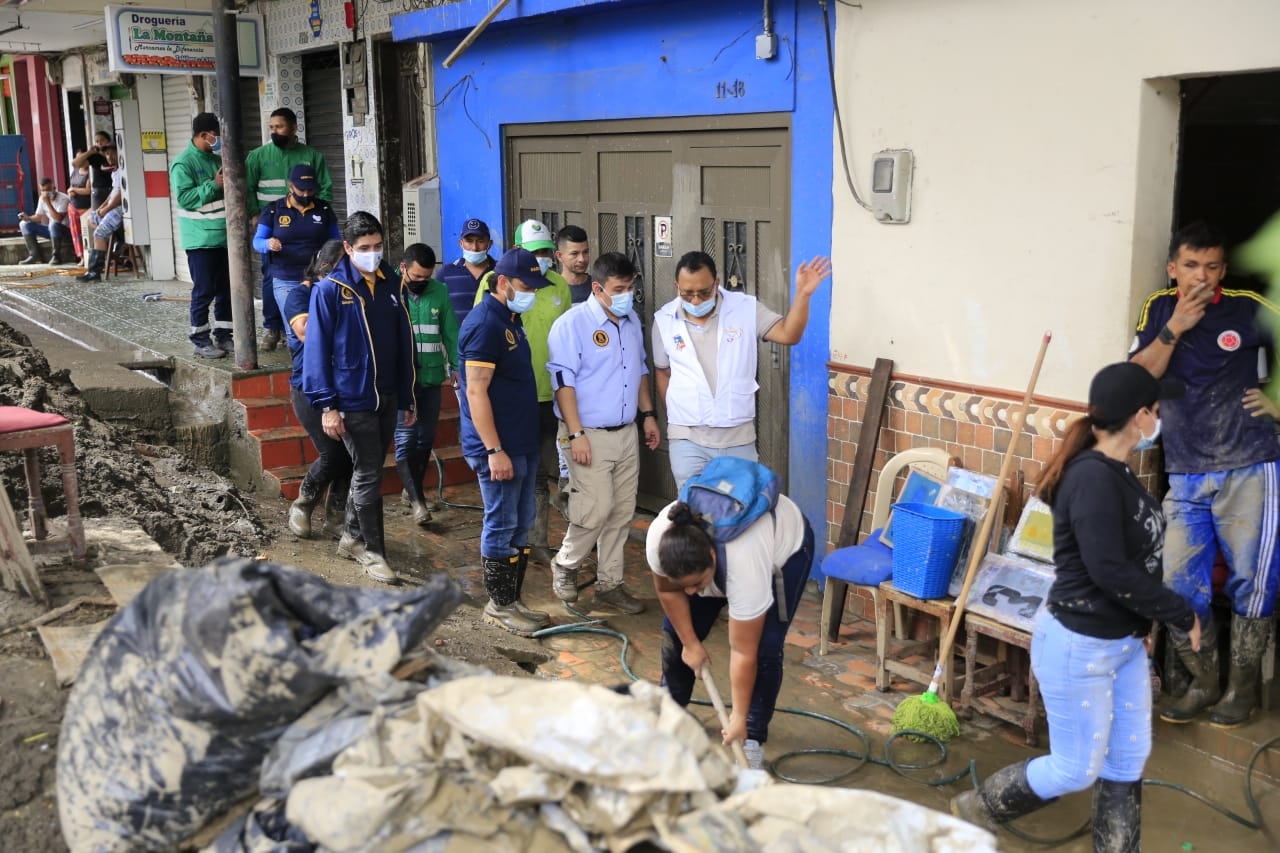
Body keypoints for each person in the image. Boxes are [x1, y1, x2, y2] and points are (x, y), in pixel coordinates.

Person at [949, 361, 1199, 851]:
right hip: (1079, 646)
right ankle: (979, 807)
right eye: (1156, 409)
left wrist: (1141, 626)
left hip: (1122, 644)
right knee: (1075, 768)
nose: (1160, 417)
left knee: (1126, 760)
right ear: (1139, 417)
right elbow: (1108, 569)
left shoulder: (1116, 471)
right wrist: (1179, 612)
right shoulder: (1092, 479)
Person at [1129, 221, 1280, 730]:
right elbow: (1138, 374)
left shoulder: (1245, 306)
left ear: (1223, 269)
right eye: (1191, 266)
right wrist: (1177, 326)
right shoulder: (1158, 309)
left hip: (1250, 466)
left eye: (1212, 267)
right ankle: (1204, 681)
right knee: (1177, 584)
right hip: (1186, 472)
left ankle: (1240, 690)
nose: (1202, 277)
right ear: (1173, 269)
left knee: (1252, 584)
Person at [646, 468, 814, 771]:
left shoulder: (744, 563)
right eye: (684, 584)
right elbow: (668, 591)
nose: (692, 592)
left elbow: (743, 652)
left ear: (712, 557)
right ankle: (670, 714)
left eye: (698, 584)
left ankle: (752, 737)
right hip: (717, 559)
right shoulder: (659, 539)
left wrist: (737, 718)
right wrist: (690, 644)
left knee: (765, 647)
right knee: (678, 635)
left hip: (784, 552)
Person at [651, 251, 832, 491]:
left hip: (736, 439)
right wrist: (676, 414)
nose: (695, 300)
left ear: (716, 283)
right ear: (677, 286)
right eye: (687, 293)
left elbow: (790, 334)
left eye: (703, 293)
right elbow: (662, 373)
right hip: (687, 440)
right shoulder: (664, 320)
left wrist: (803, 295)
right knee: (692, 514)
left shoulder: (745, 309)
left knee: (740, 509)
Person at [303, 211, 416, 583]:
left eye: (378, 246)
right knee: (368, 472)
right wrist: (327, 407)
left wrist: (408, 398)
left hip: (386, 395)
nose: (373, 253)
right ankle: (372, 552)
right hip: (350, 399)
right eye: (365, 248)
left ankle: (352, 536)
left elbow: (404, 344)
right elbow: (316, 353)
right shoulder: (330, 290)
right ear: (348, 249)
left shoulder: (390, 284)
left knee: (370, 469)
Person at [546, 252, 659, 613]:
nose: (627, 294)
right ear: (598, 288)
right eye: (619, 289)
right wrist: (576, 434)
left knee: (621, 511)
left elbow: (639, 371)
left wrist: (649, 415)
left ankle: (611, 583)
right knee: (595, 508)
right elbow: (563, 384)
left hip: (626, 432)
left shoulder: (630, 322)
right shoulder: (572, 325)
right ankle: (565, 563)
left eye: (630, 287)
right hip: (587, 432)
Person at [457, 247, 553, 635]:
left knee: (521, 522)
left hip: (521, 440)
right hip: (498, 447)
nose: (530, 291)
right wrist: (494, 450)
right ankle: (499, 605)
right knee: (501, 522)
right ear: (502, 283)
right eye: (524, 285)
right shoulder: (485, 323)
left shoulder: (511, 319)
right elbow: (475, 393)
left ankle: (512, 600)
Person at [473, 219, 573, 563]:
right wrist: (493, 447)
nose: (542, 258)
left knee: (532, 493)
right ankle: (501, 588)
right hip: (506, 417)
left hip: (540, 406)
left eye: (547, 251)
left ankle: (532, 553)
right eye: (535, 253)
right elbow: (477, 384)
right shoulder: (489, 307)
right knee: (504, 504)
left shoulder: (548, 291)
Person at [246, 108, 334, 351]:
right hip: (275, 230)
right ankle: (273, 328)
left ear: (294, 127)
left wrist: (319, 210)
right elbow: (247, 187)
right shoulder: (258, 156)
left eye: (280, 127)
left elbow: (325, 187)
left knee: (316, 277)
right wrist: (255, 214)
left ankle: (308, 326)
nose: (274, 131)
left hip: (309, 227)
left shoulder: (311, 156)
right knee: (271, 278)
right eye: (271, 127)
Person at [282, 240, 352, 540]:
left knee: (351, 457)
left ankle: (336, 516)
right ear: (325, 267)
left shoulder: (353, 296)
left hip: (347, 386)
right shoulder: (300, 295)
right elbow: (306, 331)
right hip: (308, 387)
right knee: (332, 454)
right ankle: (304, 501)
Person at [395, 242, 460, 526]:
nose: (422, 282)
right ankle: (418, 503)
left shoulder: (440, 292)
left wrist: (456, 365)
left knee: (424, 440)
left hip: (432, 378)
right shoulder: (390, 295)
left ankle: (411, 492)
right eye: (416, 276)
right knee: (405, 441)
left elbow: (450, 332)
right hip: (402, 382)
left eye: (426, 277)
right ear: (403, 268)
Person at [252, 163, 341, 348]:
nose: (306, 194)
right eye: (301, 190)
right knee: (296, 332)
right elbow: (257, 241)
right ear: (290, 186)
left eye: (311, 190)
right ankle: (302, 373)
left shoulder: (324, 210)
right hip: (286, 279)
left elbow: (336, 241)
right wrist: (268, 244)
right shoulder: (273, 210)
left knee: (325, 326)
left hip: (319, 279)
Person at [168, 113, 232, 357]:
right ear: (205, 135)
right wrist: (214, 185)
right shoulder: (183, 163)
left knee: (226, 290)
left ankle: (224, 336)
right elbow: (185, 198)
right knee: (204, 290)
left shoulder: (215, 159)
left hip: (224, 239)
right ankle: (200, 340)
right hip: (200, 240)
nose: (218, 140)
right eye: (216, 135)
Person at [75, 158, 126, 283]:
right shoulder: (115, 171)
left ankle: (94, 272)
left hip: (119, 208)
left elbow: (120, 194)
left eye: (110, 153)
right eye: (106, 154)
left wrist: (106, 209)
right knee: (90, 218)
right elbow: (112, 193)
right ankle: (114, 241)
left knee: (98, 234)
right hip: (111, 206)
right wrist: (102, 207)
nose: (108, 156)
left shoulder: (124, 171)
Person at [439, 218, 495, 327]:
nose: (474, 248)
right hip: (457, 342)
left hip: (494, 341)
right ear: (461, 243)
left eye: (480, 241)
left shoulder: (501, 271)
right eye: (469, 241)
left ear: (490, 243)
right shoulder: (446, 274)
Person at [17, 177, 73, 265]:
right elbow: (38, 217)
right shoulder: (42, 198)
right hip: (52, 231)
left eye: (48, 190)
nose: (45, 193)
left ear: (54, 188)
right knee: (24, 224)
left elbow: (58, 219)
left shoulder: (64, 199)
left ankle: (56, 256)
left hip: (65, 231)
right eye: (43, 190)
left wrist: (48, 202)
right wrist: (28, 218)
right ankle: (34, 255)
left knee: (53, 224)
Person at [556, 224, 593, 304]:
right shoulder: (551, 291)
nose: (582, 259)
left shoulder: (599, 287)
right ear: (559, 256)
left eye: (585, 252)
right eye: (574, 253)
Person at [66, 157, 92, 263]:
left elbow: (88, 190)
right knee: (76, 234)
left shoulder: (91, 172)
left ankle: (89, 257)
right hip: (73, 207)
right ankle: (81, 257)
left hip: (86, 208)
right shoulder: (75, 172)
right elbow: (70, 187)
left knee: (87, 233)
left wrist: (74, 190)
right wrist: (70, 191)